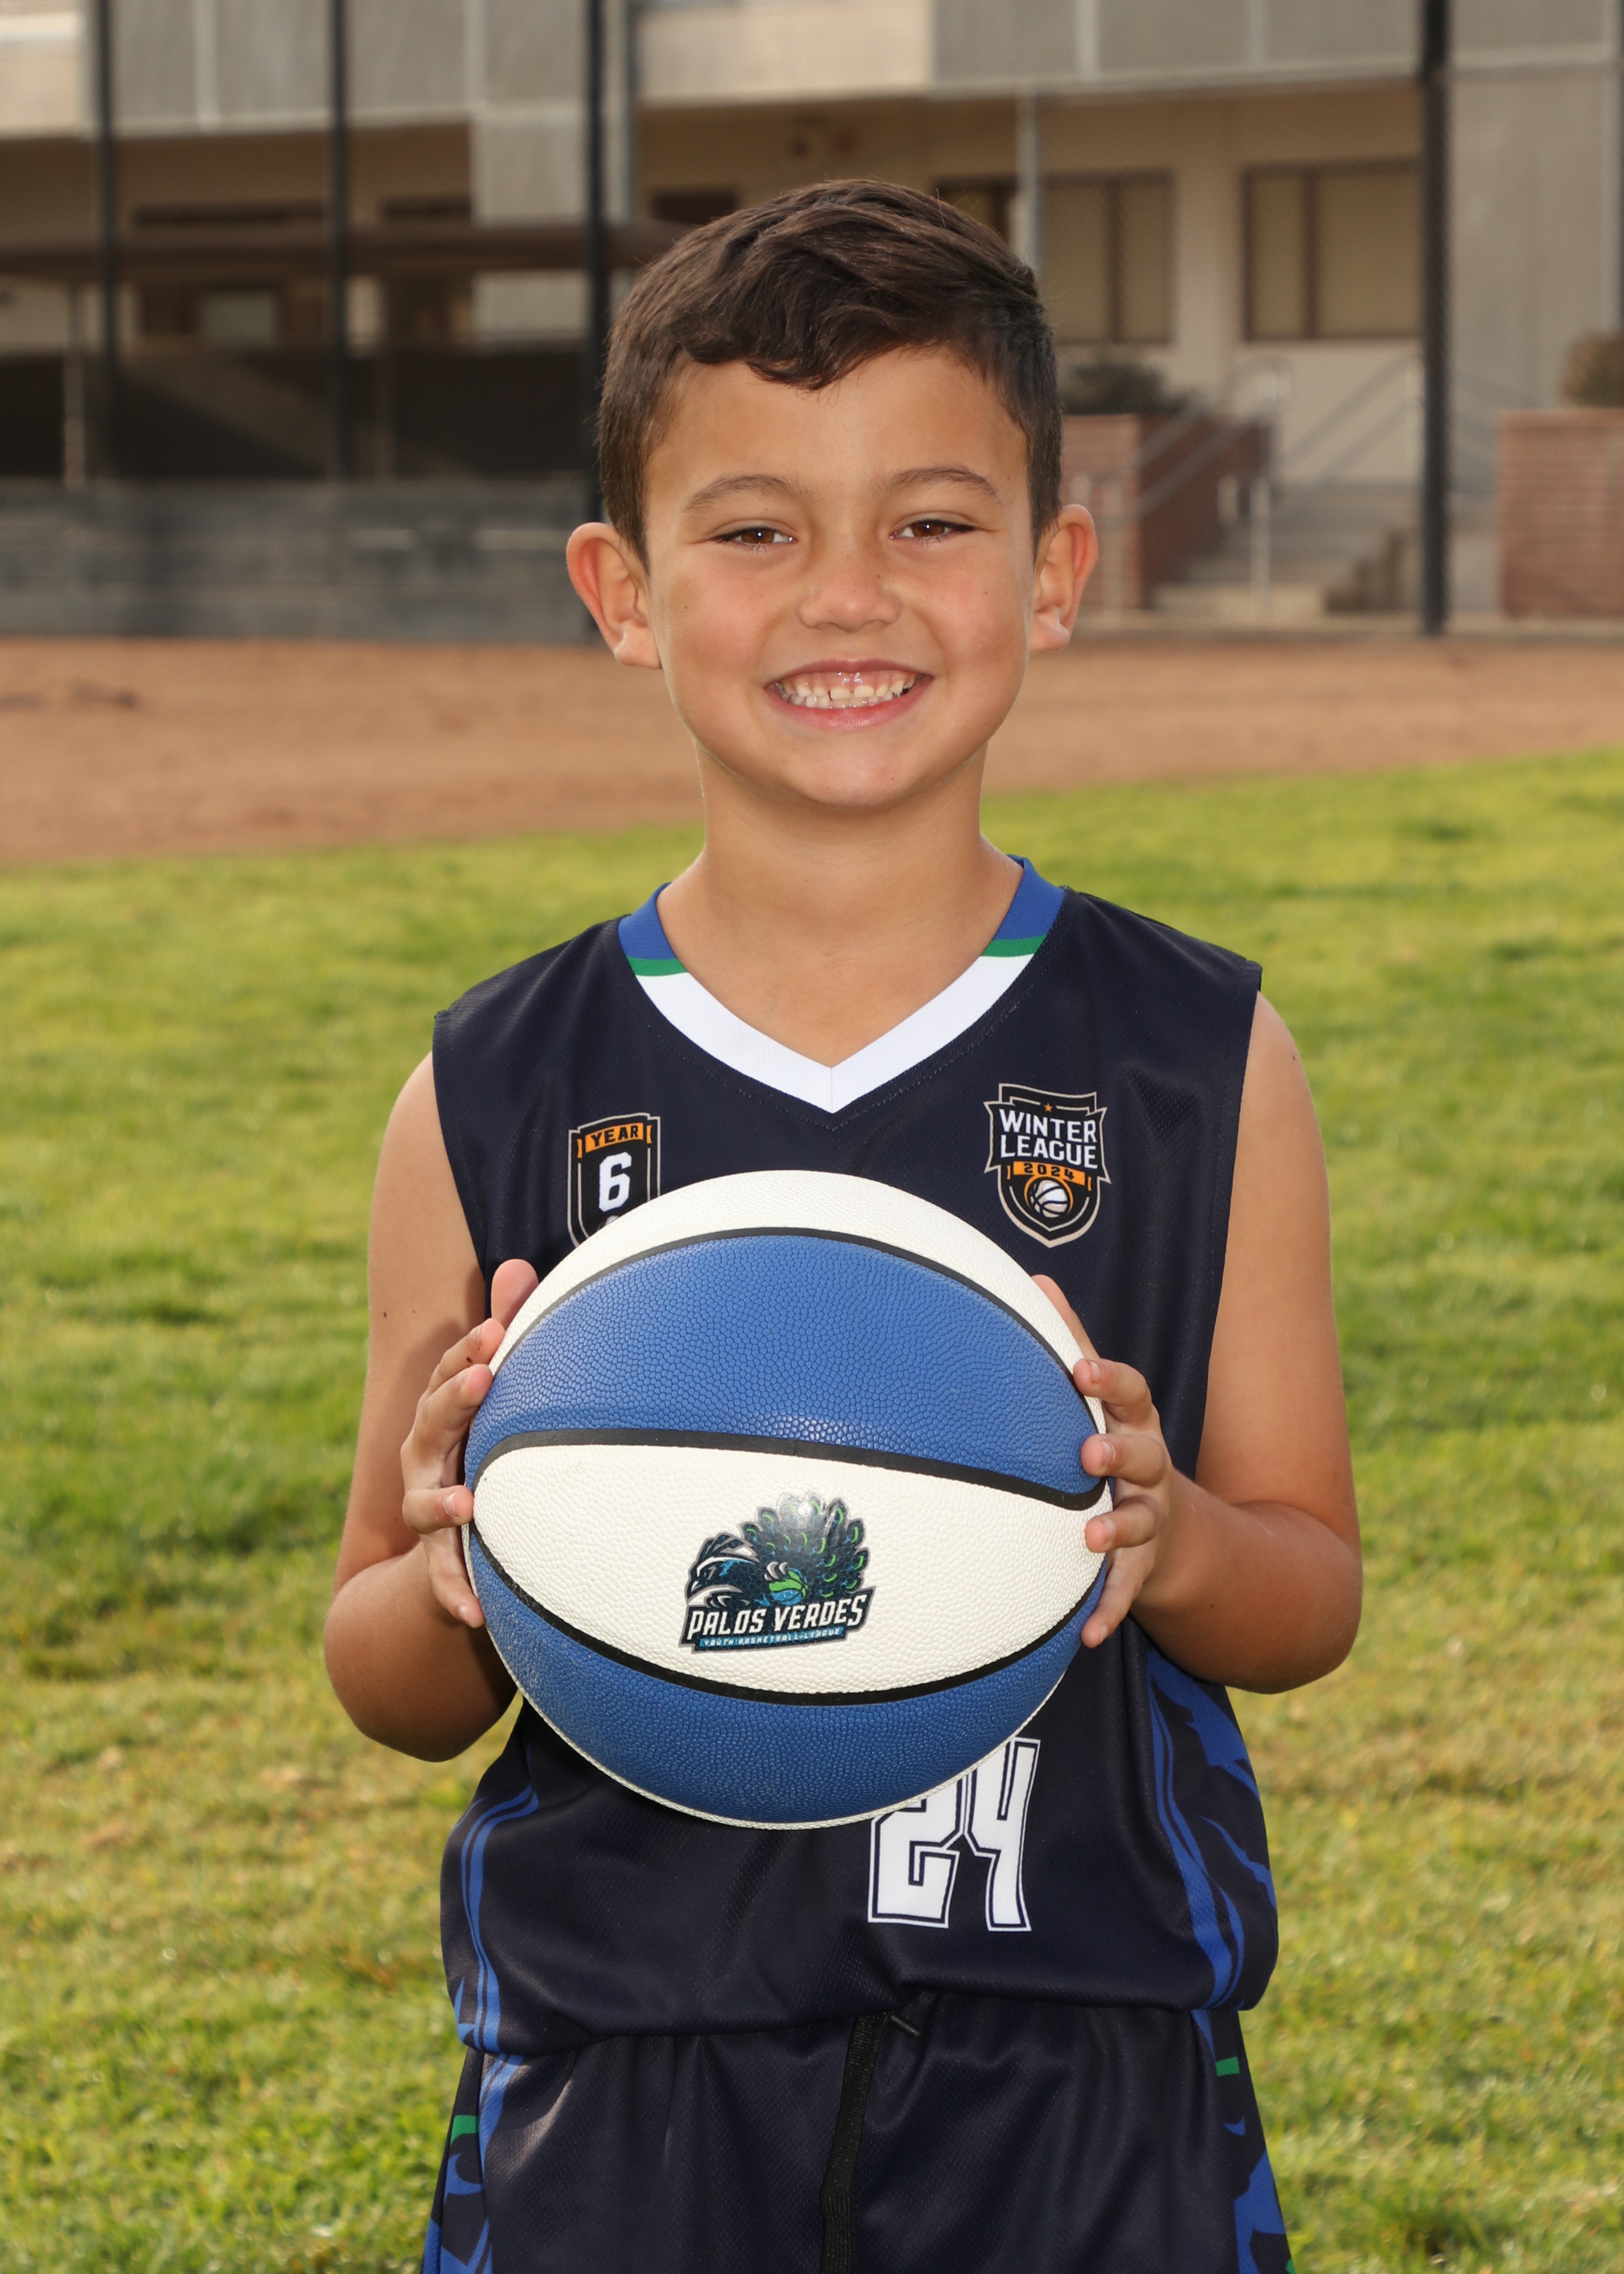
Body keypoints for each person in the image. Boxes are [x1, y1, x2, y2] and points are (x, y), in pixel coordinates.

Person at [325, 179, 1360, 2274]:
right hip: (626, 2070)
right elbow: (381, 1664)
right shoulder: (492, 1088)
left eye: (933, 519)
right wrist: (450, 1570)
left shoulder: (1196, 1058)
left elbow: (1310, 1589)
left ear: (1055, 571)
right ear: (623, 590)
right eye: (755, 530)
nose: (849, 595)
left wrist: (1171, 1538)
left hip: (1082, 2066)